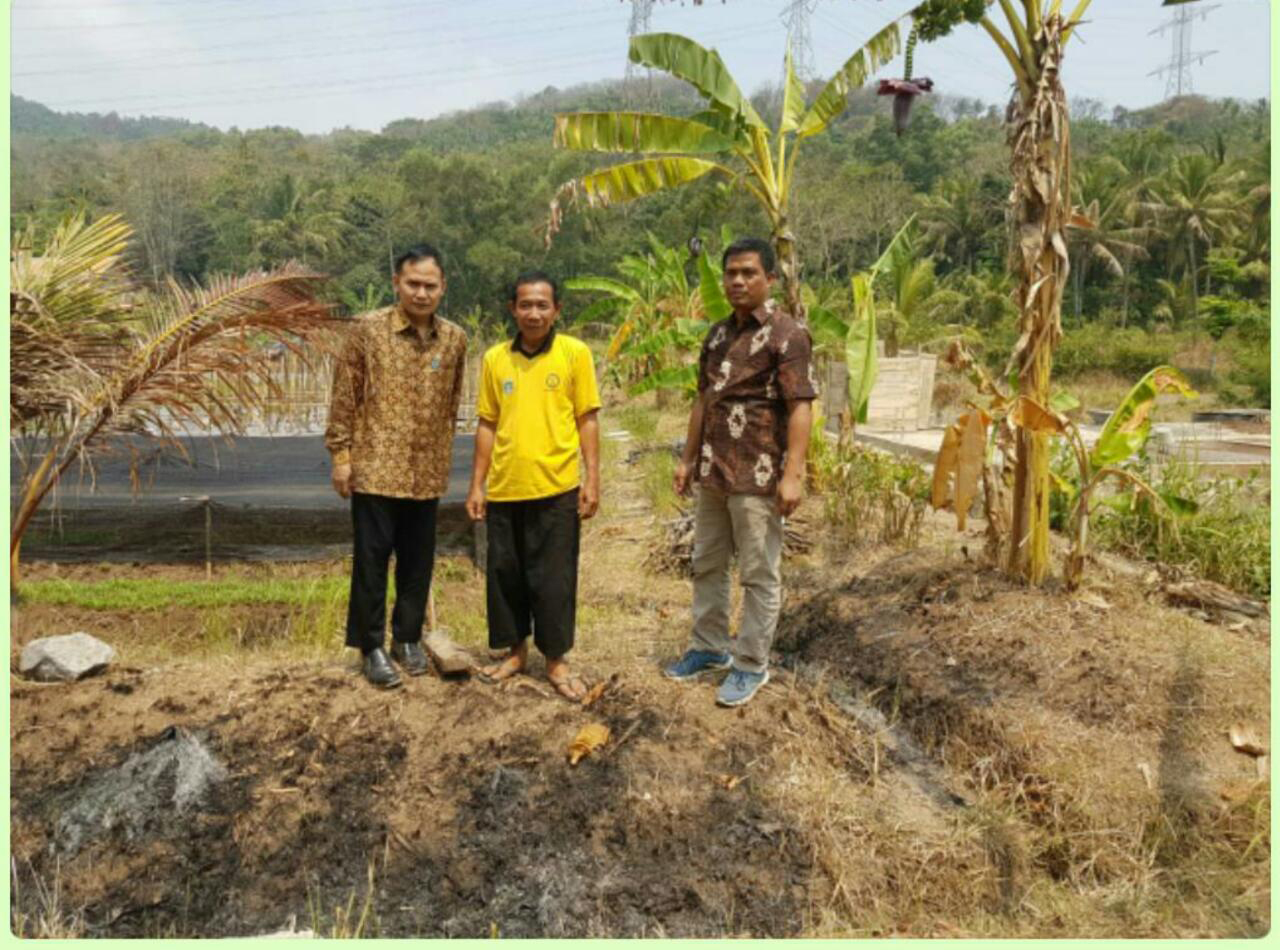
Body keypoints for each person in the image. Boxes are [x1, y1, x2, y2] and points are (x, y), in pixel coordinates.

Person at [664, 237, 817, 707]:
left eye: (748, 272)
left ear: (770, 278)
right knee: (707, 562)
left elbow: (800, 407)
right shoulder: (716, 335)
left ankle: (751, 664)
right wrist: (688, 458)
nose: (736, 281)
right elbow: (703, 400)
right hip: (714, 470)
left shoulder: (787, 334)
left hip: (759, 472)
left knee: (757, 572)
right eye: (730, 272)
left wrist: (793, 474)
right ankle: (709, 649)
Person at [325, 244, 467, 689]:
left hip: (425, 470)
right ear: (396, 284)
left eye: (430, 285)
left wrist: (442, 451)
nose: (421, 293)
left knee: (418, 560)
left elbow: (452, 402)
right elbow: (345, 395)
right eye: (413, 284)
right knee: (371, 561)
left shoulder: (455, 339)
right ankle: (371, 647)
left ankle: (407, 637)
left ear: (443, 287)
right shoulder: (368, 331)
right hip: (375, 467)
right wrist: (341, 457)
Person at [465, 271, 601, 701]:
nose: (534, 313)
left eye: (543, 305)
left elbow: (587, 418)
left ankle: (556, 660)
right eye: (526, 305)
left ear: (557, 310)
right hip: (506, 487)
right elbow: (487, 423)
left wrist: (592, 478)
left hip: (557, 487)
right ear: (513, 309)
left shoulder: (574, 354)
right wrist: (477, 485)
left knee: (554, 579)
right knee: (506, 576)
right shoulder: (495, 360)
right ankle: (514, 652)